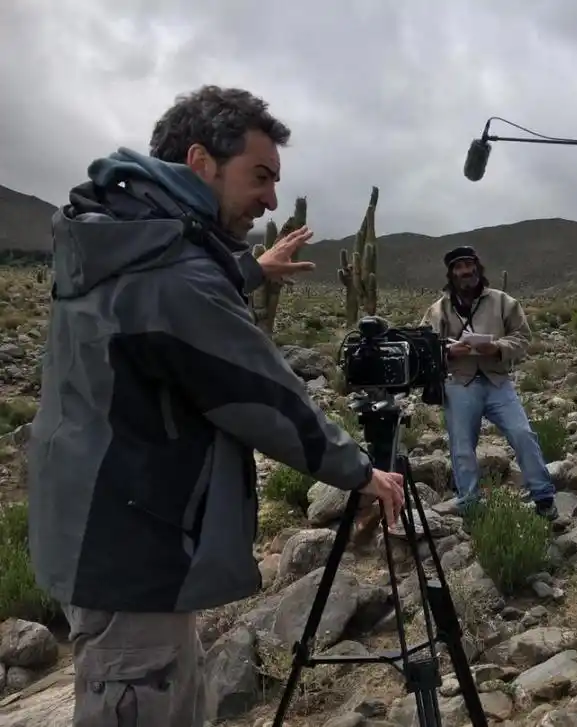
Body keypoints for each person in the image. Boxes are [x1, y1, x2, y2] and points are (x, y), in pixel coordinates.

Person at [26, 85, 405, 727]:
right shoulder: (174, 279)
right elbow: (262, 396)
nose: (272, 200)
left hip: (103, 528)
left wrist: (252, 271)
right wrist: (360, 472)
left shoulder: (125, 240)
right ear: (201, 163)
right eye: (260, 176)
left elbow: (176, 299)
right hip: (132, 554)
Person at [419, 246, 558, 520]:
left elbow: (522, 337)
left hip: (497, 381)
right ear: (451, 273)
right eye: (458, 267)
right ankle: (470, 506)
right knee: (461, 448)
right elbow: (423, 345)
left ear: (477, 267)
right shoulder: (438, 309)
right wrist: (447, 351)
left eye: (469, 265)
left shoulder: (503, 302)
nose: (465, 271)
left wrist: (496, 347)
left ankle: (543, 497)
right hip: (459, 382)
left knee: (522, 434)